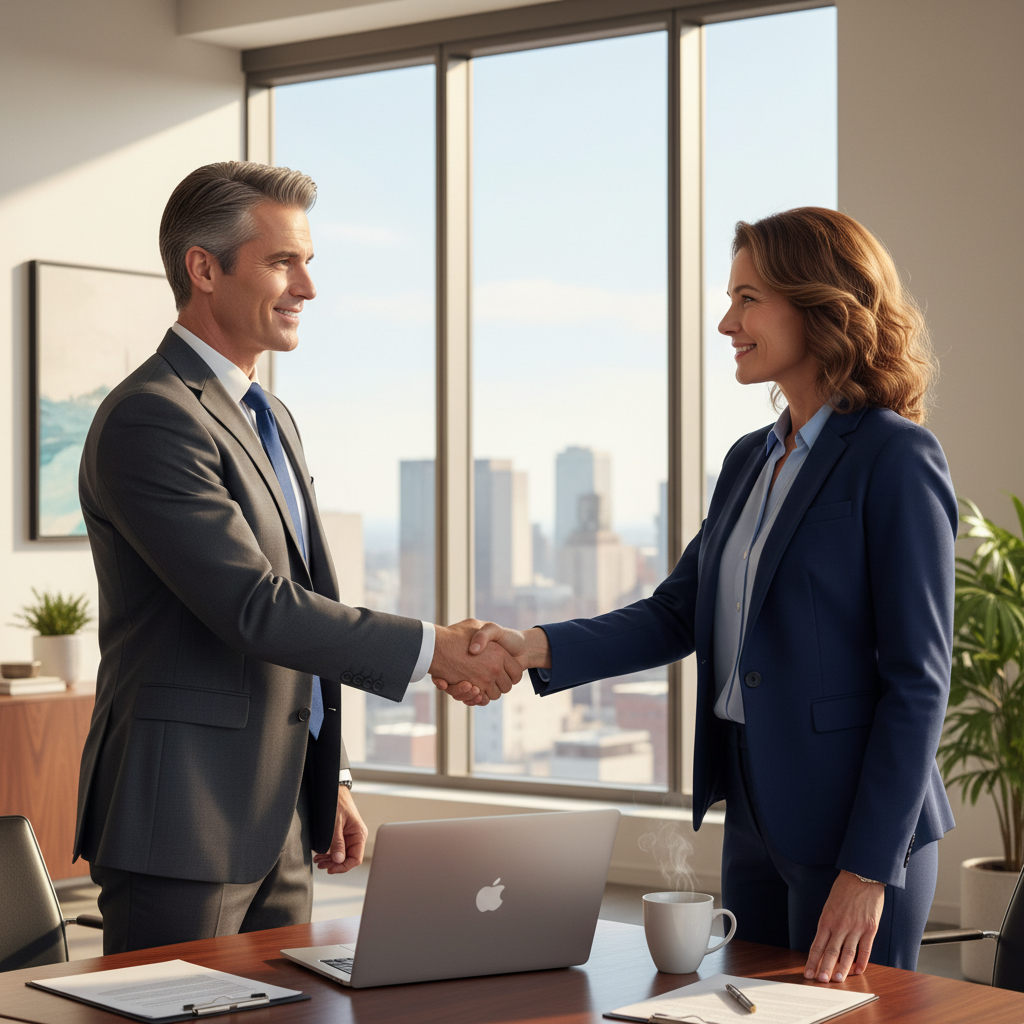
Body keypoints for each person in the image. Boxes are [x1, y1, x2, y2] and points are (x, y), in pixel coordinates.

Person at [449, 207, 957, 983]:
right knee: (745, 1007)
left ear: (819, 305)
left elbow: (918, 680)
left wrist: (867, 868)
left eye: (748, 299)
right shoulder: (750, 459)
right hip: (752, 809)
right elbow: (677, 612)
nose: (727, 323)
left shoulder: (895, 456)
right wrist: (533, 647)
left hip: (857, 826)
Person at [75, 161, 514, 954]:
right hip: (183, 815)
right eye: (283, 262)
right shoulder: (153, 416)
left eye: (307, 262)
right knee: (166, 1008)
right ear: (204, 269)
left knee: (288, 1008)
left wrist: (327, 776)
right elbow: (255, 606)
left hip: (278, 813)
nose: (307, 287)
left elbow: (300, 598)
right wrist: (434, 649)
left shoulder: (268, 414)